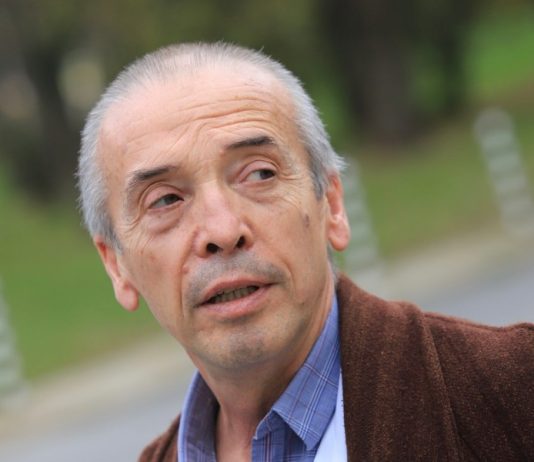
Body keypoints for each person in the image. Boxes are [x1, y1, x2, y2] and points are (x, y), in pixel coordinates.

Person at [77, 42, 534, 461]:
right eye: (165, 200)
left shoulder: (514, 392)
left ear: (332, 204)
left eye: (259, 174)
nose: (223, 231)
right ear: (117, 265)